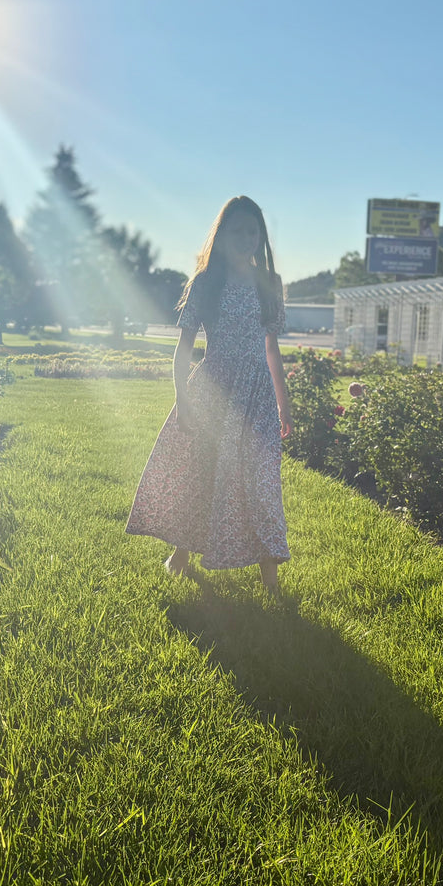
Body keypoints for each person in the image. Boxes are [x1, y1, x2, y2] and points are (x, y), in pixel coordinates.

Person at [125, 196, 292, 594]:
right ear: (221, 236)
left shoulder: (269, 284)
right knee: (203, 474)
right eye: (237, 231)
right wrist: (183, 401)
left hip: (257, 399)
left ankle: (271, 581)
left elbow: (272, 351)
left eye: (253, 231)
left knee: (262, 482)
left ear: (261, 236)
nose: (246, 239)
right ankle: (182, 554)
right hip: (213, 391)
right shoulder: (206, 282)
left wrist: (285, 405)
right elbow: (183, 350)